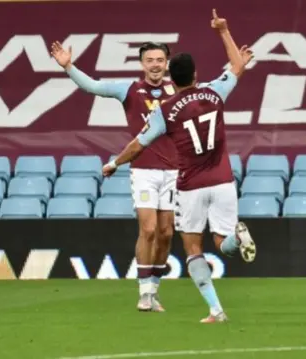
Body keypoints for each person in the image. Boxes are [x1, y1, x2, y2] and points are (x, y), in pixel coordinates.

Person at [102, 9, 256, 323]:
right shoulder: (215, 91)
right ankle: (235, 238)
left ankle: (216, 310)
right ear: (196, 75)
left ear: (173, 76)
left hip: (190, 184)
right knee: (221, 243)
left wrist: (115, 163)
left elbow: (137, 146)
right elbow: (238, 65)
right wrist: (223, 30)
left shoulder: (165, 110)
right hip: (224, 180)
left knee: (193, 248)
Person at [51, 41, 178, 312]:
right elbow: (93, 86)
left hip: (175, 171)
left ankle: (154, 290)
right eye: (150, 60)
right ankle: (144, 293)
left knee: (167, 233)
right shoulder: (130, 89)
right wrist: (69, 67)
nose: (155, 64)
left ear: (167, 63)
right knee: (149, 229)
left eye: (160, 59)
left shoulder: (178, 88)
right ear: (142, 64)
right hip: (143, 169)